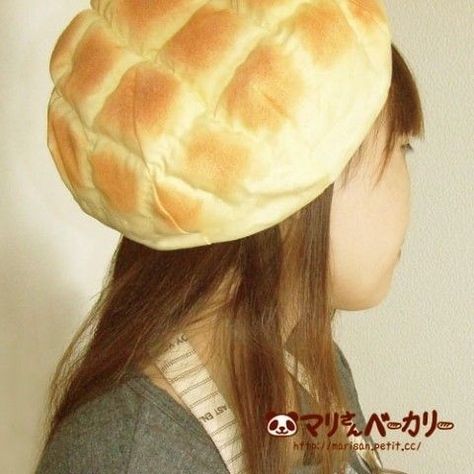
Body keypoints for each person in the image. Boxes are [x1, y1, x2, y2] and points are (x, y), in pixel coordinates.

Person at [36, 2, 424, 473]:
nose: (408, 183)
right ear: (291, 183)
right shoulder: (131, 455)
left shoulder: (310, 368)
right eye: (401, 145)